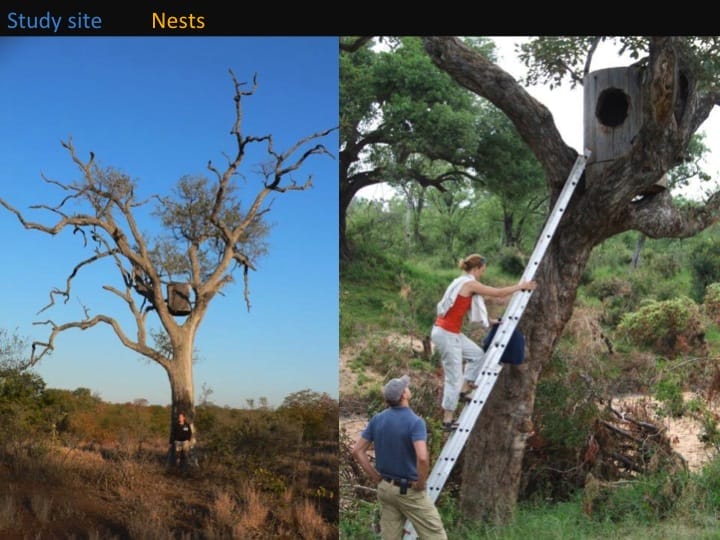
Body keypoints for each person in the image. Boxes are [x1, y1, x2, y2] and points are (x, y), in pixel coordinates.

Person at [431, 254, 537, 430]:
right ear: (478, 268)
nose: (482, 274)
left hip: (452, 332)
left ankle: (465, 390)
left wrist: (489, 319)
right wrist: (522, 287)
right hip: (446, 333)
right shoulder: (469, 283)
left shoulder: (462, 282)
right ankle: (447, 419)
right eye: (482, 270)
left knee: (477, 355)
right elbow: (497, 293)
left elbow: (464, 307)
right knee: (453, 377)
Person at [352, 375, 448, 540]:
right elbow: (423, 458)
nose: (408, 388)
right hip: (408, 491)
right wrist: (420, 483)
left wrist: (376, 477)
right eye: (407, 387)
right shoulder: (415, 422)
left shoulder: (377, 419)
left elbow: (357, 451)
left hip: (385, 489)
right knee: (436, 535)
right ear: (404, 395)